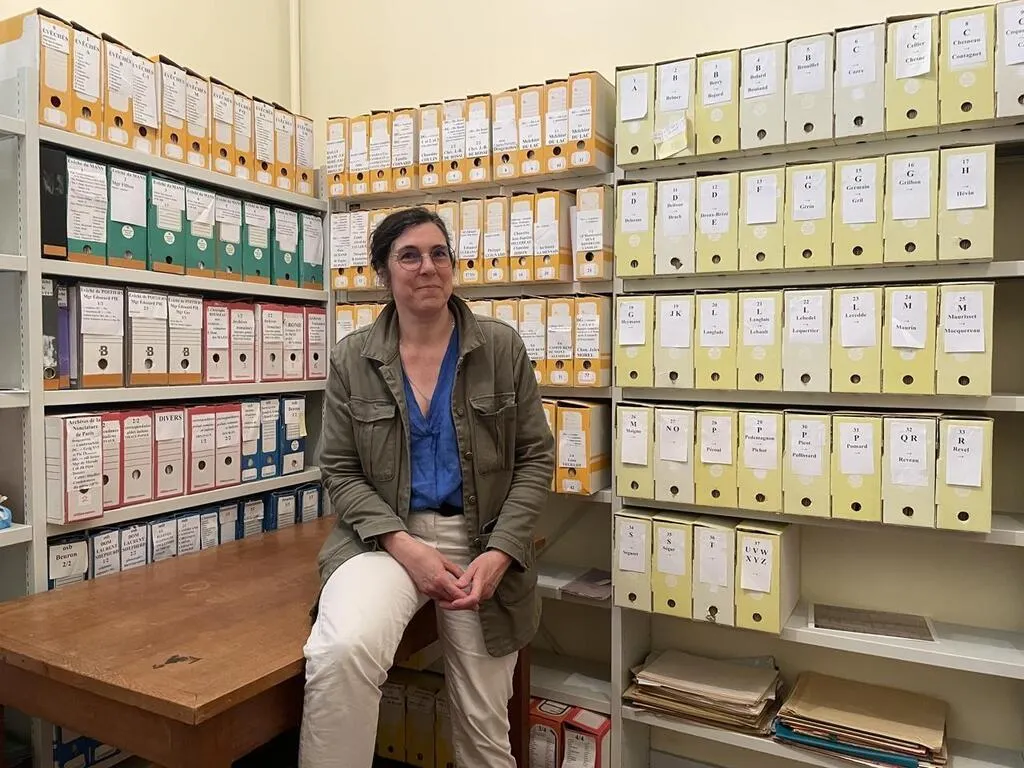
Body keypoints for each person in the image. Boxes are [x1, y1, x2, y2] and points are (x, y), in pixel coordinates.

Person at [299, 206, 555, 768]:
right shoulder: (353, 358)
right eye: (409, 256)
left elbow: (536, 458)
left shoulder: (500, 348)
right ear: (383, 272)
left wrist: (501, 553)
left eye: (439, 253)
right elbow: (339, 468)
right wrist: (404, 545)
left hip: (480, 539)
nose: (427, 267)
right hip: (383, 539)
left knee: (484, 725)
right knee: (341, 652)